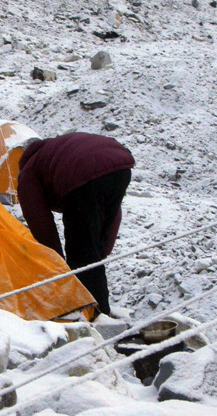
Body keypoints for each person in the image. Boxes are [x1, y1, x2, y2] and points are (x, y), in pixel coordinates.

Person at [17, 132, 135, 317]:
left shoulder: (29, 171)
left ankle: (95, 314)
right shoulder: (55, 154)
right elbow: (112, 214)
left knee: (81, 255)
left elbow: (39, 220)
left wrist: (57, 260)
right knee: (90, 252)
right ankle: (97, 308)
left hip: (82, 175)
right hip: (120, 167)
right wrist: (102, 249)